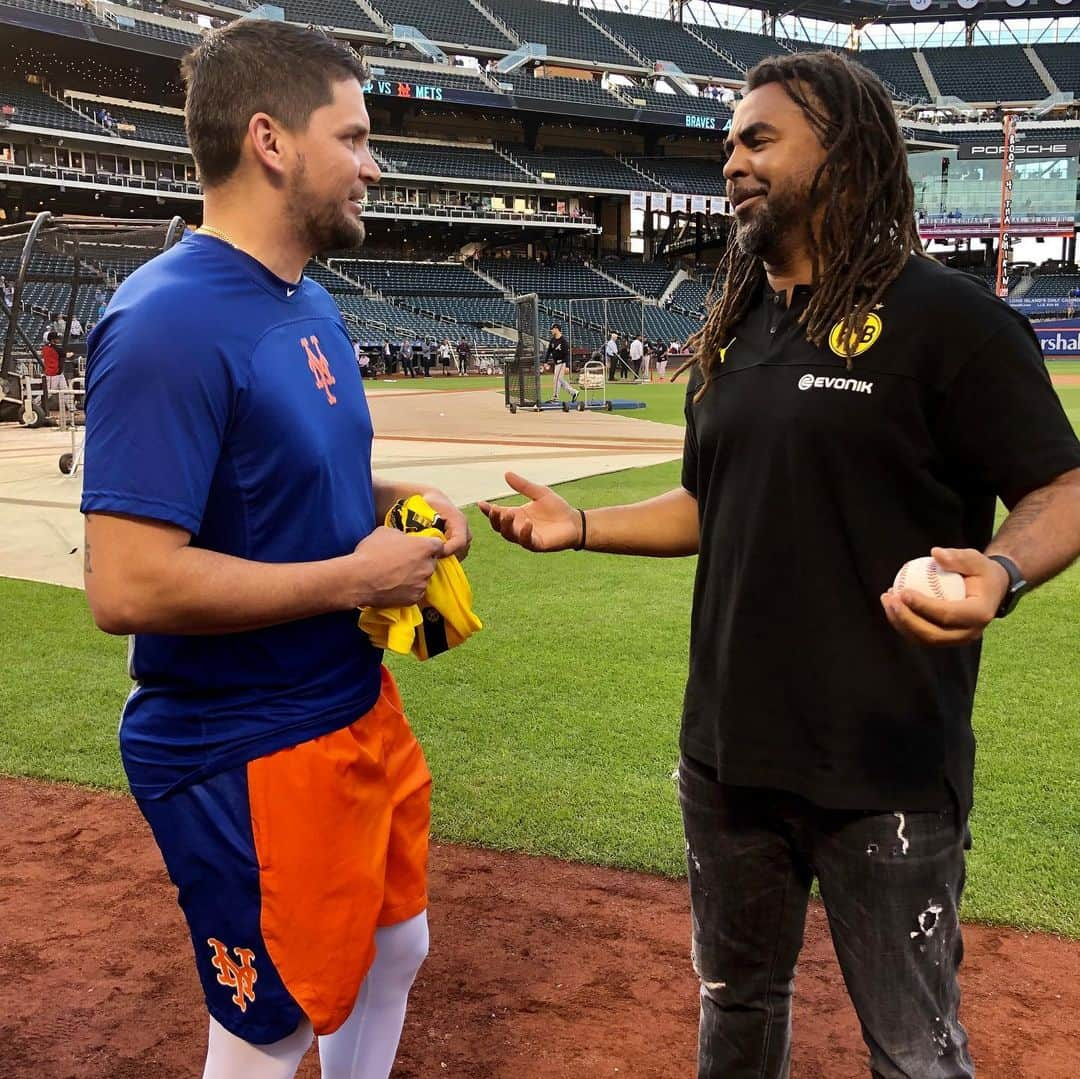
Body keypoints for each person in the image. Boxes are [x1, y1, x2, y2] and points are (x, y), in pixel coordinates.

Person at [477, 51, 1080, 1079]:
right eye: (728, 145)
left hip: (883, 767)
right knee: (736, 1008)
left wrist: (1002, 572)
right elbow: (710, 505)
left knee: (915, 1050)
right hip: (727, 757)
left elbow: (1061, 487)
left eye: (759, 140)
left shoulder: (952, 322)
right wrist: (580, 526)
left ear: (840, 154)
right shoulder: (735, 328)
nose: (732, 161)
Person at [79, 21, 473, 1079]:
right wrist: (355, 576)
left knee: (399, 944)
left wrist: (403, 496)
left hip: (346, 700)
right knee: (275, 1022)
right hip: (243, 740)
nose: (373, 163)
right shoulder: (165, 321)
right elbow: (126, 580)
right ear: (271, 141)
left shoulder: (308, 296)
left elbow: (291, 475)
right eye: (353, 135)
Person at [545, 323, 576, 403]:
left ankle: (555, 398)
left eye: (552, 329)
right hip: (556, 364)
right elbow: (548, 351)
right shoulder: (552, 340)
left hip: (562, 363)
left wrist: (567, 366)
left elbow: (567, 354)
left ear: (556, 329)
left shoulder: (563, 341)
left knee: (556, 379)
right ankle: (573, 392)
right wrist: (545, 361)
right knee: (560, 381)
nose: (551, 330)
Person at [41, 332, 66, 396]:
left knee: (65, 392)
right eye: (57, 338)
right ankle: (34, 404)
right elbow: (63, 354)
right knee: (49, 394)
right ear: (52, 340)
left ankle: (70, 406)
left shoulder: (49, 347)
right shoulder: (51, 348)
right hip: (52, 374)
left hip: (59, 373)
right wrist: (71, 354)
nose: (59, 340)